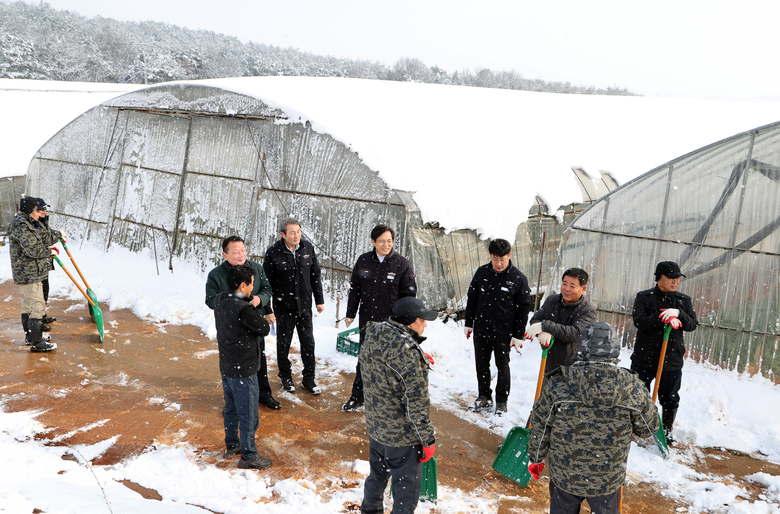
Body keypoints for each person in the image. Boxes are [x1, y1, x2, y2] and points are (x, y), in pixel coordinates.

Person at [527, 322, 660, 514]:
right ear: (615, 349)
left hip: (565, 474)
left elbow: (541, 423)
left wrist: (537, 457)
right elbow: (648, 428)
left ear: (581, 348)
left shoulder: (559, 383)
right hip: (607, 477)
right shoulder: (632, 388)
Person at [359, 297, 437, 514]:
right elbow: (416, 404)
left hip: (376, 429)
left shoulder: (375, 334)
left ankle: (370, 511)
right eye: (423, 320)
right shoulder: (408, 353)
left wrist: (417, 358)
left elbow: (383, 366)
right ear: (410, 322)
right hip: (401, 438)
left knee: (377, 476)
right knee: (406, 491)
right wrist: (427, 440)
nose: (426, 324)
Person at [342, 224, 417, 412]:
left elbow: (409, 296)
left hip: (392, 324)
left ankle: (388, 401)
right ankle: (358, 396)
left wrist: (406, 322)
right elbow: (355, 289)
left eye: (389, 241)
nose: (386, 245)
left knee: (391, 363)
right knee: (365, 359)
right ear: (373, 242)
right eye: (382, 241)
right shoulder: (364, 261)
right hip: (368, 321)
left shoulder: (402, 264)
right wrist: (350, 313)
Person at [206, 235, 280, 410]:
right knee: (233, 367)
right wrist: (235, 301)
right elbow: (210, 300)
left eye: (243, 250)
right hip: (232, 328)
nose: (240, 254)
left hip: (255, 325)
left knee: (258, 361)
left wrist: (259, 299)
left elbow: (267, 289)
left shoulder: (256, 268)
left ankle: (264, 395)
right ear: (225, 255)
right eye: (235, 251)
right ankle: (232, 405)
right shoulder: (216, 275)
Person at [630, 260, 698, 444]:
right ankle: (639, 429)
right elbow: (639, 321)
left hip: (671, 360)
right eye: (671, 278)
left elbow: (692, 325)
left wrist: (679, 314)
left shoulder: (684, 301)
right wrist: (662, 318)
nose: (675, 281)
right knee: (639, 395)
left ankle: (667, 432)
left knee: (670, 398)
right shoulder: (644, 297)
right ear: (659, 278)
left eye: (678, 278)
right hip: (644, 358)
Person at [213, 263, 273, 469]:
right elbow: (264, 328)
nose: (252, 288)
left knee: (230, 408)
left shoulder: (221, 299)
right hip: (244, 367)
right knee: (248, 413)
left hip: (227, 365)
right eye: (251, 284)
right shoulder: (244, 309)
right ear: (242, 285)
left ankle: (232, 444)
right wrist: (253, 308)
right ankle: (249, 455)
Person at [464, 238, 532, 415]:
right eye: (495, 259)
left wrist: (518, 334)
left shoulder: (518, 278)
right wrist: (469, 322)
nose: (499, 263)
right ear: (490, 256)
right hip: (482, 329)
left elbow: (524, 308)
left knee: (502, 367)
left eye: (503, 259)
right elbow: (472, 298)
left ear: (509, 255)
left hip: (504, 332)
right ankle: (484, 396)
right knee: (482, 364)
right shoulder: (482, 273)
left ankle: (502, 401)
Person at [263, 218, 325, 395]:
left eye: (298, 231)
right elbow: (266, 284)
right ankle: (286, 377)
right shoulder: (273, 253)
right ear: (283, 234)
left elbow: (315, 275)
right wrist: (268, 309)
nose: (296, 235)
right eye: (292, 232)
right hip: (284, 308)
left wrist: (319, 300)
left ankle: (309, 379)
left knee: (308, 344)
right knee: (283, 344)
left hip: (304, 306)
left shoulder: (307, 248)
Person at [8, 197, 64, 352]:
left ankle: (31, 337)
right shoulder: (21, 226)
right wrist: (49, 251)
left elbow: (40, 238)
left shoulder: (27, 223)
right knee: (38, 306)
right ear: (29, 210)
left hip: (29, 271)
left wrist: (56, 236)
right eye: (37, 210)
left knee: (28, 306)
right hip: (28, 272)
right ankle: (37, 343)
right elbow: (32, 249)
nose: (39, 213)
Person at [524, 268, 597, 378]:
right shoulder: (552, 300)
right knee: (545, 394)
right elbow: (536, 319)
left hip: (573, 370)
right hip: (549, 366)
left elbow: (576, 333)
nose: (566, 289)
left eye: (572, 286)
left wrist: (545, 327)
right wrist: (542, 332)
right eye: (564, 284)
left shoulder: (587, 310)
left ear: (583, 289)